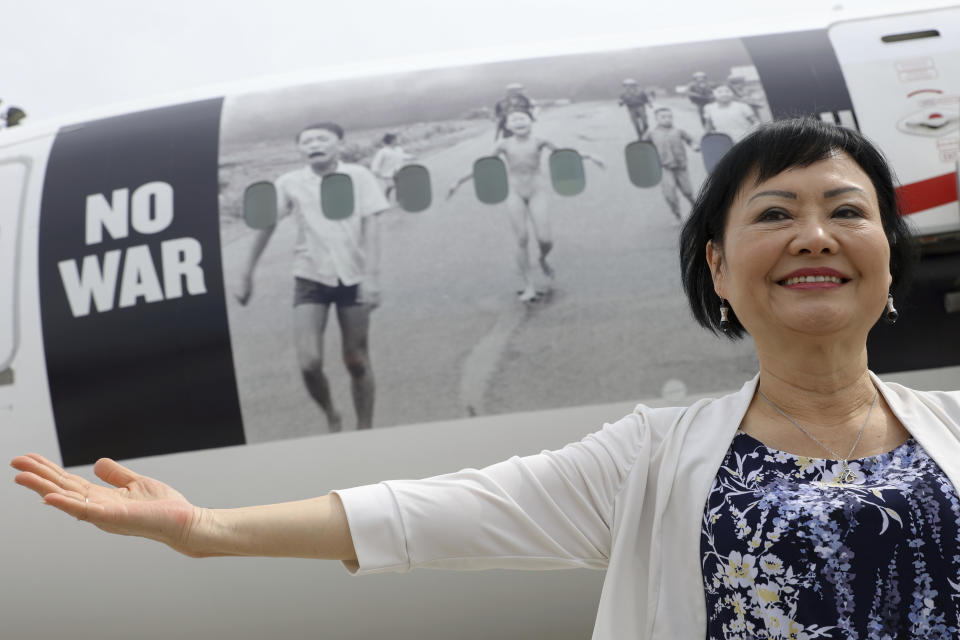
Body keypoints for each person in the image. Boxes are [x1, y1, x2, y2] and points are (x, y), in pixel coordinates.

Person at [12, 119, 960, 640]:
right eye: (775, 213)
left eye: (847, 210)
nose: (815, 234)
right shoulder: (653, 460)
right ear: (717, 267)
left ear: (887, 252)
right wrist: (204, 531)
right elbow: (425, 514)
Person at [235, 122, 389, 431]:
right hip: (309, 278)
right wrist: (246, 272)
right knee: (309, 363)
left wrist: (371, 277)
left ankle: (365, 428)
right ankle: (332, 413)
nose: (314, 144)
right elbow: (266, 225)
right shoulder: (289, 182)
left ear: (339, 144)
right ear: (299, 149)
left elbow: (372, 225)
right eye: (306, 141)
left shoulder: (359, 176)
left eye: (322, 138)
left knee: (357, 360)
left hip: (353, 277)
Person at [447, 108, 604, 302]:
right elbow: (483, 166)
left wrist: (589, 156)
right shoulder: (503, 144)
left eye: (522, 118)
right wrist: (458, 182)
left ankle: (542, 259)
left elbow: (564, 154)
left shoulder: (540, 141)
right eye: (513, 119)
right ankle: (529, 285)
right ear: (507, 125)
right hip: (513, 192)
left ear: (531, 121)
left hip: (537, 191)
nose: (518, 121)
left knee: (545, 239)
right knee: (521, 238)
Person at [642, 107, 700, 221]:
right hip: (663, 168)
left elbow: (691, 140)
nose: (667, 119)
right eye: (663, 117)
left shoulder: (678, 131)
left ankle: (696, 207)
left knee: (688, 191)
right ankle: (677, 214)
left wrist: (694, 146)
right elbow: (642, 148)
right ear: (656, 119)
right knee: (670, 195)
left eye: (669, 116)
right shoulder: (651, 133)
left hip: (681, 166)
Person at [369, 133, 416, 199]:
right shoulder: (383, 151)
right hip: (386, 172)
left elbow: (402, 156)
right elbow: (376, 162)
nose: (397, 141)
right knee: (391, 185)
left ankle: (399, 198)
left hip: (397, 170)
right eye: (395, 140)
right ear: (391, 141)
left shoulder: (398, 149)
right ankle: (386, 196)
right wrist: (375, 170)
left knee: (399, 185)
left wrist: (411, 157)